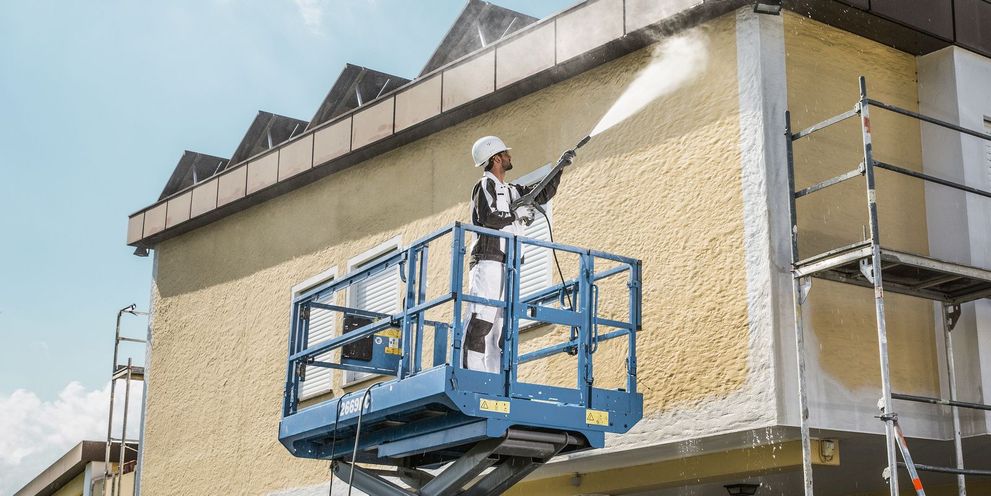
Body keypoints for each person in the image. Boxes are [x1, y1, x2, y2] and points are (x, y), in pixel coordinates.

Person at [463, 136, 575, 373]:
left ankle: (492, 379)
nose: (509, 156)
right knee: (482, 317)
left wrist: (559, 167)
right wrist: (516, 216)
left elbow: (540, 194)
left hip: (509, 263)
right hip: (488, 261)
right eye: (505, 154)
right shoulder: (485, 186)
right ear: (495, 159)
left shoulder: (511, 190)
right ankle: (470, 375)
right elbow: (488, 218)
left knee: (499, 325)